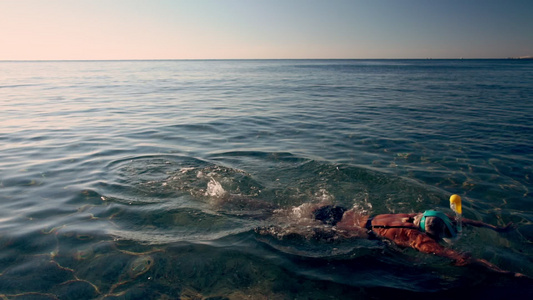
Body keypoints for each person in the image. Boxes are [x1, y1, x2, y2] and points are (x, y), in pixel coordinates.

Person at [312, 205, 526, 277]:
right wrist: (506, 273)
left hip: (346, 213)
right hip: (343, 230)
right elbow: (459, 256)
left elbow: (459, 220)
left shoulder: (411, 216)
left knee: (303, 212)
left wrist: (495, 228)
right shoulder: (418, 238)